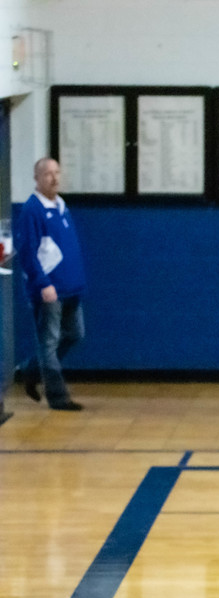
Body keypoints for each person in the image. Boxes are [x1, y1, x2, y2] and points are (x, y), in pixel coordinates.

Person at [13, 158, 87, 411]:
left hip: (71, 287)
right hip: (49, 290)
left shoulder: (61, 206)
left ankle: (31, 369)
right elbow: (27, 252)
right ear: (37, 178)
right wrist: (43, 283)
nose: (54, 178)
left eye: (57, 173)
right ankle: (58, 397)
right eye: (48, 174)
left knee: (76, 334)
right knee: (49, 342)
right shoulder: (32, 211)